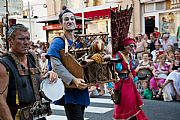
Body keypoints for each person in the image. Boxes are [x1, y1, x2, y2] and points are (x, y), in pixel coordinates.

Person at [0, 24, 58, 120]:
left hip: (38, 115)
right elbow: (1, 100)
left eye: (28, 38)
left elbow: (35, 83)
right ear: (10, 41)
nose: (26, 42)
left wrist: (48, 77)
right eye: (21, 39)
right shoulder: (4, 64)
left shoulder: (32, 58)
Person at [46, 6, 90, 120]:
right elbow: (56, 65)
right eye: (66, 19)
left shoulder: (81, 42)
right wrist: (73, 80)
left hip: (82, 88)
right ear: (61, 23)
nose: (70, 21)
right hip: (70, 89)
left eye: (72, 19)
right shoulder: (57, 42)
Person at [113, 37, 148, 120]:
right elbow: (114, 70)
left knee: (132, 102)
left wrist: (134, 76)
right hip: (120, 82)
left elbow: (132, 69)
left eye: (133, 46)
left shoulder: (130, 55)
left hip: (129, 82)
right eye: (130, 46)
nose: (132, 48)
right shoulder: (117, 55)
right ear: (125, 46)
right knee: (123, 103)